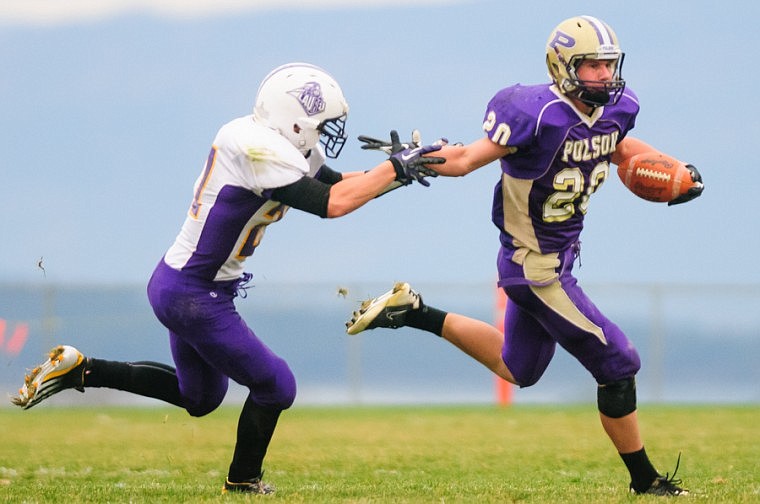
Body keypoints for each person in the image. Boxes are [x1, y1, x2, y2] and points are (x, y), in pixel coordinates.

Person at [11, 62, 443, 494]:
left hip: (185, 284)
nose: (326, 131)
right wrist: (394, 170)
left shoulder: (267, 141)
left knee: (199, 398)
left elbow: (337, 183)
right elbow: (333, 203)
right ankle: (242, 483)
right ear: (293, 118)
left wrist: (399, 172)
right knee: (277, 385)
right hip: (193, 293)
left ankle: (80, 369)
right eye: (321, 122)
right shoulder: (256, 148)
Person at [346, 16, 702, 497]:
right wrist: (408, 163)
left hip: (557, 260)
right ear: (563, 66)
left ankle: (414, 311)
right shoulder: (534, 112)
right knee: (619, 361)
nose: (603, 75)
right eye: (591, 65)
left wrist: (673, 171)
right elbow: (469, 158)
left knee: (520, 369)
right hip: (536, 269)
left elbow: (619, 147)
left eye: (607, 64)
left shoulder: (620, 108)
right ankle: (646, 481)